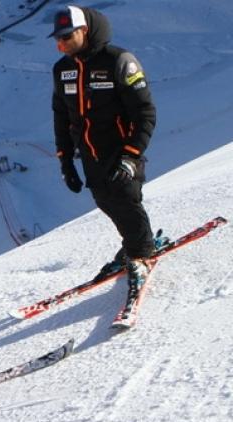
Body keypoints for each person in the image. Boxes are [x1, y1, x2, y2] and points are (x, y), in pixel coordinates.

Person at [48, 5, 157, 285]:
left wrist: (131, 156)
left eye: (66, 37)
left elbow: (145, 113)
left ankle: (142, 253)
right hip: (90, 153)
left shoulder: (119, 61)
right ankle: (131, 244)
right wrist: (65, 160)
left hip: (121, 149)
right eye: (57, 39)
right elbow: (61, 117)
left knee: (125, 198)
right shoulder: (62, 70)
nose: (61, 45)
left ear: (84, 31)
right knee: (104, 200)